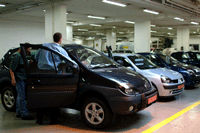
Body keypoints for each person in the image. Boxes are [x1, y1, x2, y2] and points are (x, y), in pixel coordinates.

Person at [35, 32, 76, 125]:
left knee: (40, 96)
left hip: (40, 73)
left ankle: (39, 119)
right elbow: (69, 61)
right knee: (52, 96)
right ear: (60, 39)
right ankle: (53, 120)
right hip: (52, 74)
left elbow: (36, 58)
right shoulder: (60, 49)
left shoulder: (44, 46)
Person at [9, 44, 34, 120]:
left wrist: (29, 62)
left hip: (23, 78)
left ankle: (19, 112)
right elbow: (11, 69)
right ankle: (24, 114)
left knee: (20, 96)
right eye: (29, 49)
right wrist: (13, 79)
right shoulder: (16, 56)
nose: (30, 51)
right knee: (22, 96)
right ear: (25, 49)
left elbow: (22, 64)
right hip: (19, 78)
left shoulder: (22, 55)